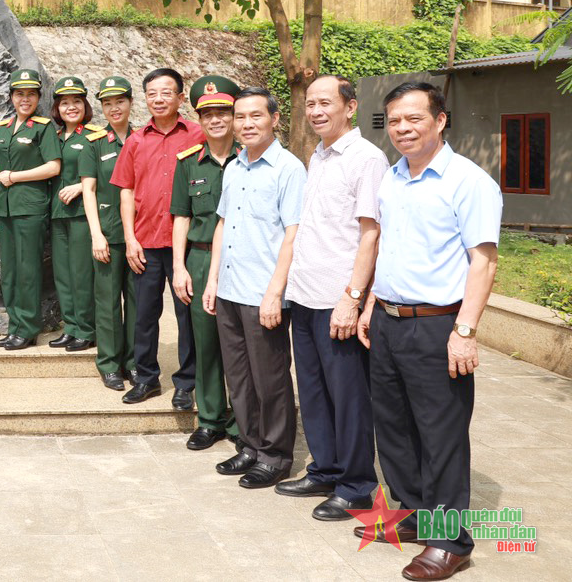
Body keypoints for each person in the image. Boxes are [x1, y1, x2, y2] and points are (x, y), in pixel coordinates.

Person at [356, 82, 500, 581]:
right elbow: (387, 247)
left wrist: (465, 330)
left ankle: (450, 541)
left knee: (441, 435)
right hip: (388, 321)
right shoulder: (392, 178)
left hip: (438, 325)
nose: (402, 129)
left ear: (440, 120)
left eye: (414, 119)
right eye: (395, 120)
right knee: (394, 429)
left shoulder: (468, 180)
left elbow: (482, 261)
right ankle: (416, 512)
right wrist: (369, 303)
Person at [278, 75, 384, 520]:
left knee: (349, 397)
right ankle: (325, 468)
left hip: (337, 298)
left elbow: (370, 233)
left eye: (325, 103)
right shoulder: (318, 155)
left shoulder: (367, 158)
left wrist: (352, 297)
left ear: (350, 107)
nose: (316, 111)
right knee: (315, 392)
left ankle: (357, 485)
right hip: (305, 294)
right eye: (309, 104)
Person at [201, 87, 305, 490]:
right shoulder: (234, 166)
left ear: (274, 119)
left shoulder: (289, 169)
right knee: (239, 376)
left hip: (264, 293)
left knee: (271, 378)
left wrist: (275, 292)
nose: (246, 124)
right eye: (240, 117)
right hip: (229, 289)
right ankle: (248, 444)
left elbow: (293, 234)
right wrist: (212, 281)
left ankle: (276, 455)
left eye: (255, 116)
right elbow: (222, 226)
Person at [111, 68, 203, 406]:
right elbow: (126, 192)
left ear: (181, 97)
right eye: (152, 93)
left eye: (166, 92)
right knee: (144, 315)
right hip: (146, 242)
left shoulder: (197, 134)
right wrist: (130, 238)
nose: (159, 99)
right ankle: (146, 377)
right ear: (145, 99)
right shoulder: (136, 140)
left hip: (186, 244)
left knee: (186, 316)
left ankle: (187, 383)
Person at [169, 75, 241, 451]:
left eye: (222, 112)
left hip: (243, 263)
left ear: (234, 115)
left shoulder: (249, 160)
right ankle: (211, 419)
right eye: (207, 113)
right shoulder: (188, 163)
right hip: (198, 260)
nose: (215, 119)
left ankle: (243, 422)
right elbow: (180, 216)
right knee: (206, 343)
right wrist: (179, 267)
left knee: (242, 347)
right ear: (199, 118)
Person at [0, 69, 61, 351]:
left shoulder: (43, 127)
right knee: (10, 272)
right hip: (5, 210)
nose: (25, 99)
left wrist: (16, 176)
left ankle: (28, 329)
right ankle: (15, 325)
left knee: (28, 270)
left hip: (30, 208)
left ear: (38, 97)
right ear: (12, 97)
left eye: (30, 94)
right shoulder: (3, 128)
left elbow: (54, 166)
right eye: (20, 94)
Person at [80, 77, 135, 390]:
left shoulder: (142, 139)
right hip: (109, 234)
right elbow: (89, 190)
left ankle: (135, 363)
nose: (114, 108)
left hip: (140, 236)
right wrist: (96, 235)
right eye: (107, 103)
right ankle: (110, 364)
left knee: (140, 304)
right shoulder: (95, 142)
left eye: (119, 101)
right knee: (108, 304)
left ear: (130, 103)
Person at [48, 76, 98, 352]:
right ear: (57, 108)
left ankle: (87, 329)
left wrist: (82, 185)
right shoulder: (53, 137)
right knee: (63, 274)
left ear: (85, 105)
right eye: (64, 102)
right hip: (57, 214)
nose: (71, 107)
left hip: (81, 214)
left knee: (81, 274)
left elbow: (110, 172)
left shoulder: (95, 136)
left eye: (76, 101)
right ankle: (71, 326)